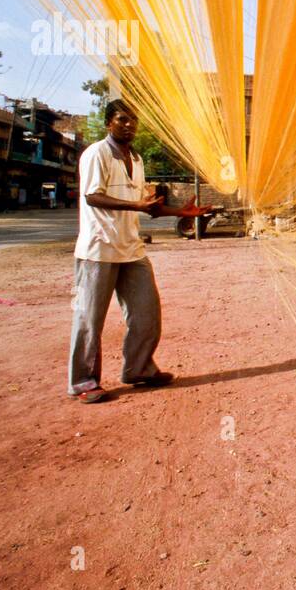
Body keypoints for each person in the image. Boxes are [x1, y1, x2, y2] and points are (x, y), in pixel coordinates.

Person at [68, 99, 209, 403]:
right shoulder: (97, 153)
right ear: (109, 123)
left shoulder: (137, 159)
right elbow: (92, 196)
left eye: (133, 120)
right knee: (89, 319)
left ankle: (139, 369)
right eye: (122, 119)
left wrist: (185, 214)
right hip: (98, 249)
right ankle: (83, 382)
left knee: (147, 312)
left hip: (130, 248)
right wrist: (137, 205)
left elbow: (149, 209)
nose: (129, 125)